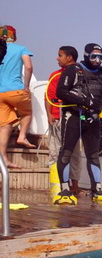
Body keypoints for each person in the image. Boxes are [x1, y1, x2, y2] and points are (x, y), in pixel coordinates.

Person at [53, 43, 102, 205]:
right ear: (86, 56)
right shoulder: (73, 70)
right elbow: (61, 92)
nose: (97, 60)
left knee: (93, 155)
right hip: (74, 117)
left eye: (100, 57)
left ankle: (96, 189)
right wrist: (85, 101)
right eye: (93, 56)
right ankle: (65, 189)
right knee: (67, 152)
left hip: (93, 119)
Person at [45, 46, 83, 194]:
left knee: (75, 154)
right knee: (55, 153)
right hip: (57, 118)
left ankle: (74, 186)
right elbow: (48, 96)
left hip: (75, 119)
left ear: (69, 58)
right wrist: (49, 114)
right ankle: (57, 185)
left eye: (60, 55)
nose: (57, 58)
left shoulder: (81, 74)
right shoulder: (55, 75)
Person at [0, 25, 35, 169]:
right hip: (16, 90)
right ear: (14, 37)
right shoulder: (21, 49)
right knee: (26, 112)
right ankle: (22, 136)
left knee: (5, 125)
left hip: (0, 93)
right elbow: (28, 67)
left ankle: (4, 160)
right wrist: (26, 86)